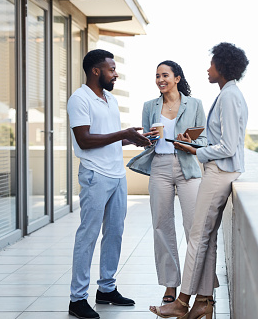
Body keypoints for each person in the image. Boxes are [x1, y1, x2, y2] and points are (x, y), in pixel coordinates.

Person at [149, 42, 249, 319]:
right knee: (206, 237)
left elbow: (228, 146)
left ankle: (181, 302)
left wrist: (196, 150)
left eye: (212, 63)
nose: (208, 68)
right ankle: (203, 301)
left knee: (196, 237)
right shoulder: (230, 94)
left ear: (222, 67)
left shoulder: (228, 97)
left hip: (218, 172)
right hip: (219, 170)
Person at [67, 49, 153, 319]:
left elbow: (110, 138)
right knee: (88, 235)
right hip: (95, 175)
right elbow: (85, 139)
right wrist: (121, 133)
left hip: (117, 175)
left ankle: (106, 288)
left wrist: (133, 138)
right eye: (111, 69)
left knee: (114, 233)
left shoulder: (111, 99)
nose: (115, 73)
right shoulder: (79, 99)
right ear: (96, 71)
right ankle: (77, 298)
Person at [127, 60, 207, 304]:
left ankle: (197, 285)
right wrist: (147, 139)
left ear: (177, 78)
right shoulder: (149, 105)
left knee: (194, 226)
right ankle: (170, 286)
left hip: (187, 166)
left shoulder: (194, 104)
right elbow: (145, 141)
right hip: (159, 166)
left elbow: (203, 139)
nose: (160, 80)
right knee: (162, 226)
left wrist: (188, 141)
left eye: (165, 75)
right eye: (157, 76)